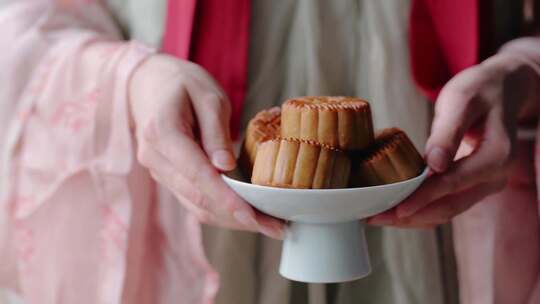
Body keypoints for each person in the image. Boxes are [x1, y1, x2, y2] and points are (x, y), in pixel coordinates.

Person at [0, 0, 538, 303]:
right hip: (197, 233)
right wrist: (134, 80)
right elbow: (30, 24)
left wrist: (526, 70)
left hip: (454, 225)